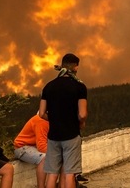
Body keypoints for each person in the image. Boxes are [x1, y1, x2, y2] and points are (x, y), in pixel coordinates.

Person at [39, 53, 88, 188]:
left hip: (53, 136)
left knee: (52, 173)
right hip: (71, 135)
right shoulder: (79, 87)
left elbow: (41, 113)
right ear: (76, 67)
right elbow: (82, 114)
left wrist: (55, 119)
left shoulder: (48, 86)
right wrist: (80, 123)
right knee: (69, 173)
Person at [13, 113, 49, 188]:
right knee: (44, 158)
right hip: (22, 148)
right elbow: (42, 146)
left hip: (33, 147)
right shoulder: (42, 121)